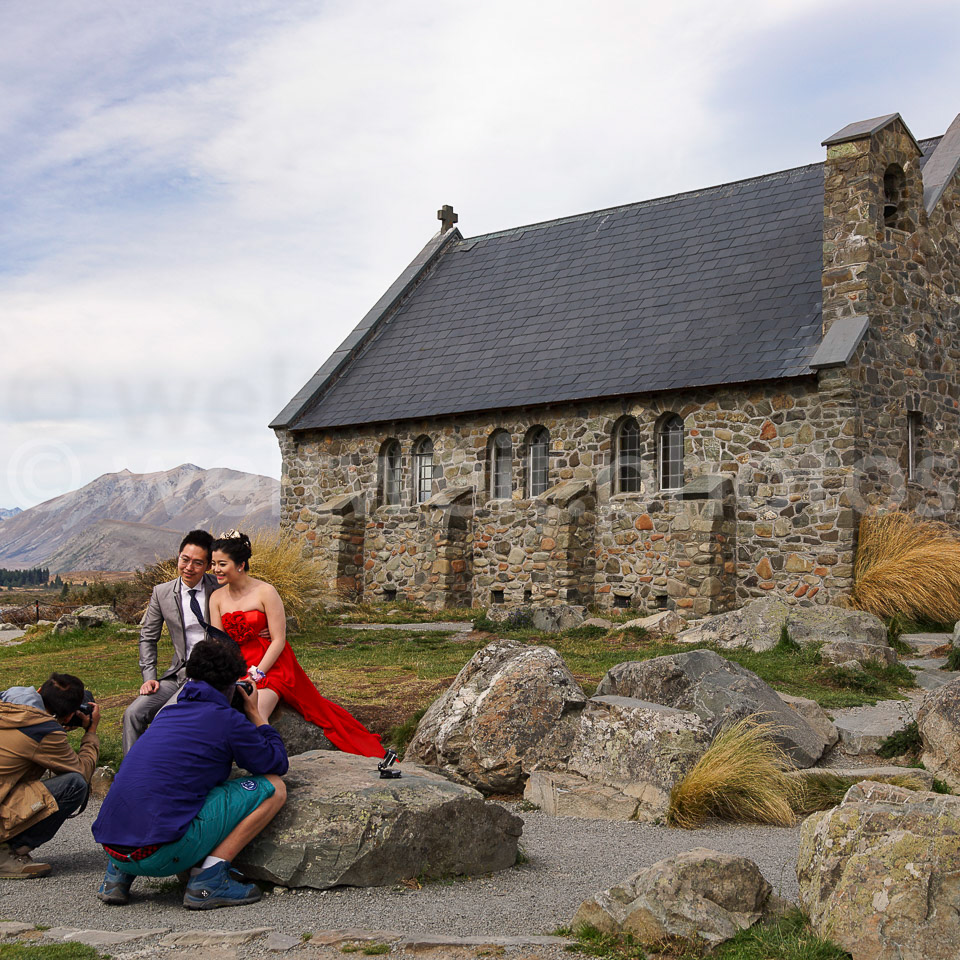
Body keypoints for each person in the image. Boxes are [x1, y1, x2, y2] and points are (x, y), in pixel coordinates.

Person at [92, 638, 288, 910]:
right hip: (161, 854)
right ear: (233, 685)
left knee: (160, 784)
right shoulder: (227, 720)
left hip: (113, 847)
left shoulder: (167, 713)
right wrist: (256, 716)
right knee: (275, 787)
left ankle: (117, 877)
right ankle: (209, 879)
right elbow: (275, 764)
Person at [208, 530, 385, 758]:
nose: (216, 569)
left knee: (255, 710)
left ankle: (266, 760)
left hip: (271, 664)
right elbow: (219, 642)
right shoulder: (216, 597)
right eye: (213, 564)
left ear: (240, 564)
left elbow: (279, 640)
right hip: (237, 663)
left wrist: (258, 673)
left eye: (222, 564)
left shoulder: (266, 591)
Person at [121, 529, 220, 754]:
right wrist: (149, 677)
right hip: (177, 673)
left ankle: (158, 773)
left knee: (164, 717)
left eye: (197, 563)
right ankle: (131, 775)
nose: (188, 567)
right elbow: (147, 637)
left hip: (208, 676)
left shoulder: (220, 588)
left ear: (207, 565)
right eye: (184, 560)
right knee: (133, 714)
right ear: (178, 557)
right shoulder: (162, 593)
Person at [0, 673, 100, 879]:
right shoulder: (43, 730)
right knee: (75, 784)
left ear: (38, 691)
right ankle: (5, 853)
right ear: (67, 716)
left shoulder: (7, 701)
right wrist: (91, 731)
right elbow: (81, 771)